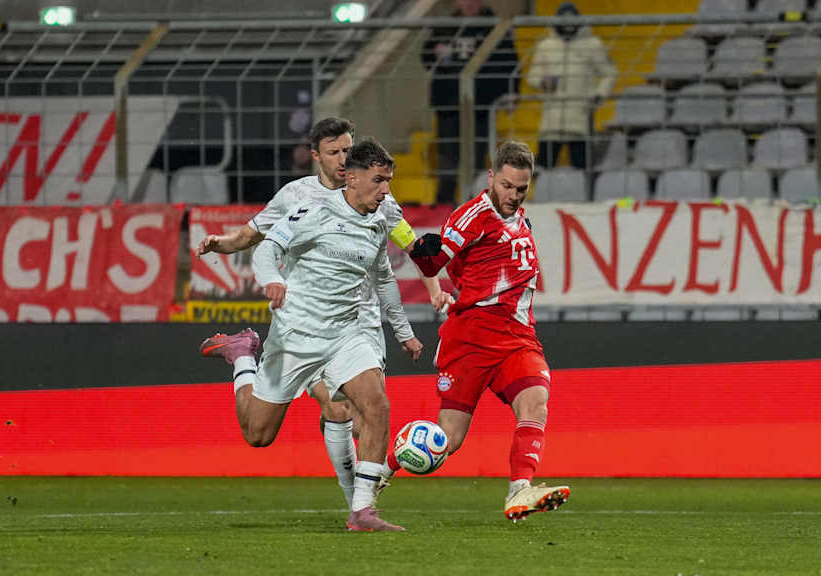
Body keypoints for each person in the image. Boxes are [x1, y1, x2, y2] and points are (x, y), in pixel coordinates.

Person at [197, 118, 453, 512]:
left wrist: (429, 294)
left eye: (348, 150)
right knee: (263, 433)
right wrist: (226, 245)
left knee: (361, 409)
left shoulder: (381, 204)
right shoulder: (299, 199)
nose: (343, 158)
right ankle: (243, 356)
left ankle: (360, 507)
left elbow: (407, 249)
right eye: (334, 152)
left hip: (357, 321)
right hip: (303, 321)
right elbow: (254, 238)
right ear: (317, 156)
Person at [384, 140, 570, 521]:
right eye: (506, 186)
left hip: (517, 338)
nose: (513, 195)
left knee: (536, 398)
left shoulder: (521, 220)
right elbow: (433, 261)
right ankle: (380, 469)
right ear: (490, 177)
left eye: (521, 189)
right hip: (472, 339)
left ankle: (519, 491)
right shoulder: (472, 217)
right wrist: (413, 242)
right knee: (447, 441)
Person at [422, 0, 520, 204]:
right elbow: (426, 57)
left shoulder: (495, 27)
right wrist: (434, 52)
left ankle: (474, 205)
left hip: (480, 105)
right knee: (448, 159)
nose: (469, 3)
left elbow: (510, 61)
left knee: (476, 158)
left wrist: (511, 92)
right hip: (449, 104)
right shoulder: (445, 27)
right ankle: (444, 205)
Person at [525, 2, 617, 170]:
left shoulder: (592, 44)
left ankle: (584, 188)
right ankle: (544, 188)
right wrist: (543, 82)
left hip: (580, 116)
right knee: (543, 166)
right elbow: (533, 75)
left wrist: (599, 95)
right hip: (552, 118)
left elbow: (609, 73)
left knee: (581, 166)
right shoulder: (546, 46)